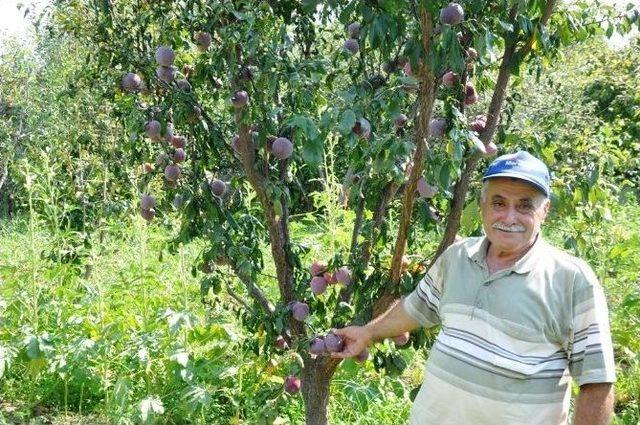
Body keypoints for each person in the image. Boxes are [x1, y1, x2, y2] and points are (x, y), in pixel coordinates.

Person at [331, 151, 616, 425]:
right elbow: (417, 307)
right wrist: (368, 333)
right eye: (499, 203)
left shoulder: (571, 280)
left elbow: (597, 381)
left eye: (525, 205)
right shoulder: (458, 257)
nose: (509, 217)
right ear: (482, 205)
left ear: (545, 211)